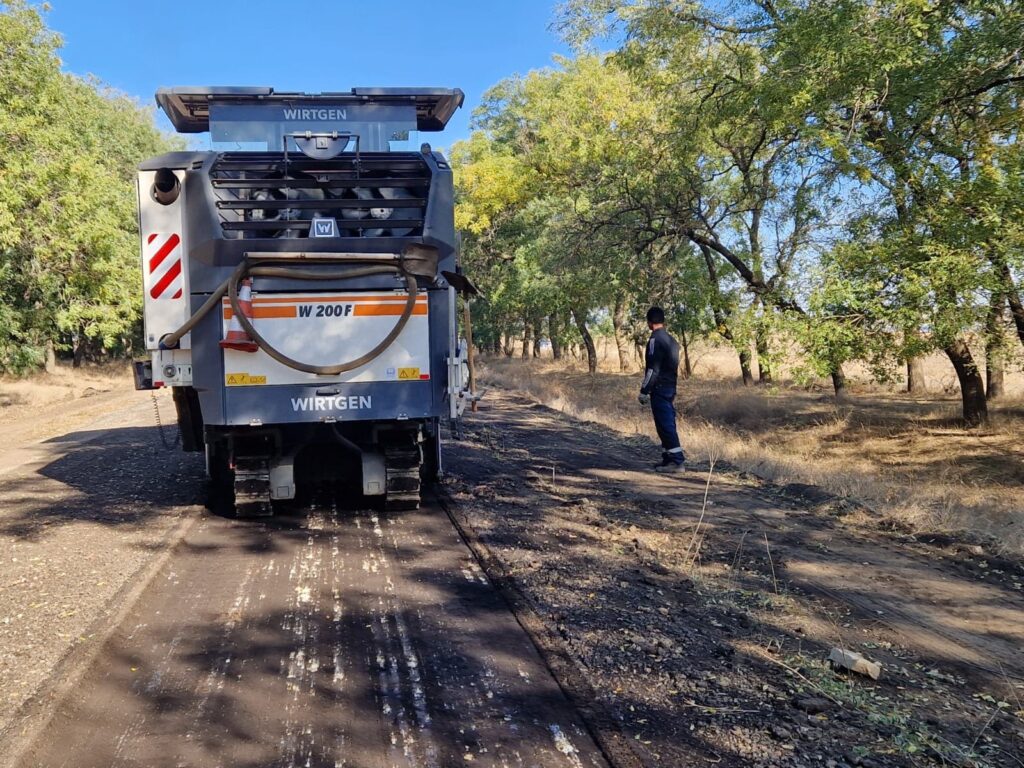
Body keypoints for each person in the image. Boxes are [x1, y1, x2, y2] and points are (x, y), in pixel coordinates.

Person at [638, 307, 685, 472]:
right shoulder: (672, 340)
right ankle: (667, 458)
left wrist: (644, 390)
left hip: (659, 388)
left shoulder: (654, 340)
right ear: (663, 321)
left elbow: (653, 369)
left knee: (665, 425)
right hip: (671, 386)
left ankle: (677, 462)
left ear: (649, 323)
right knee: (664, 423)